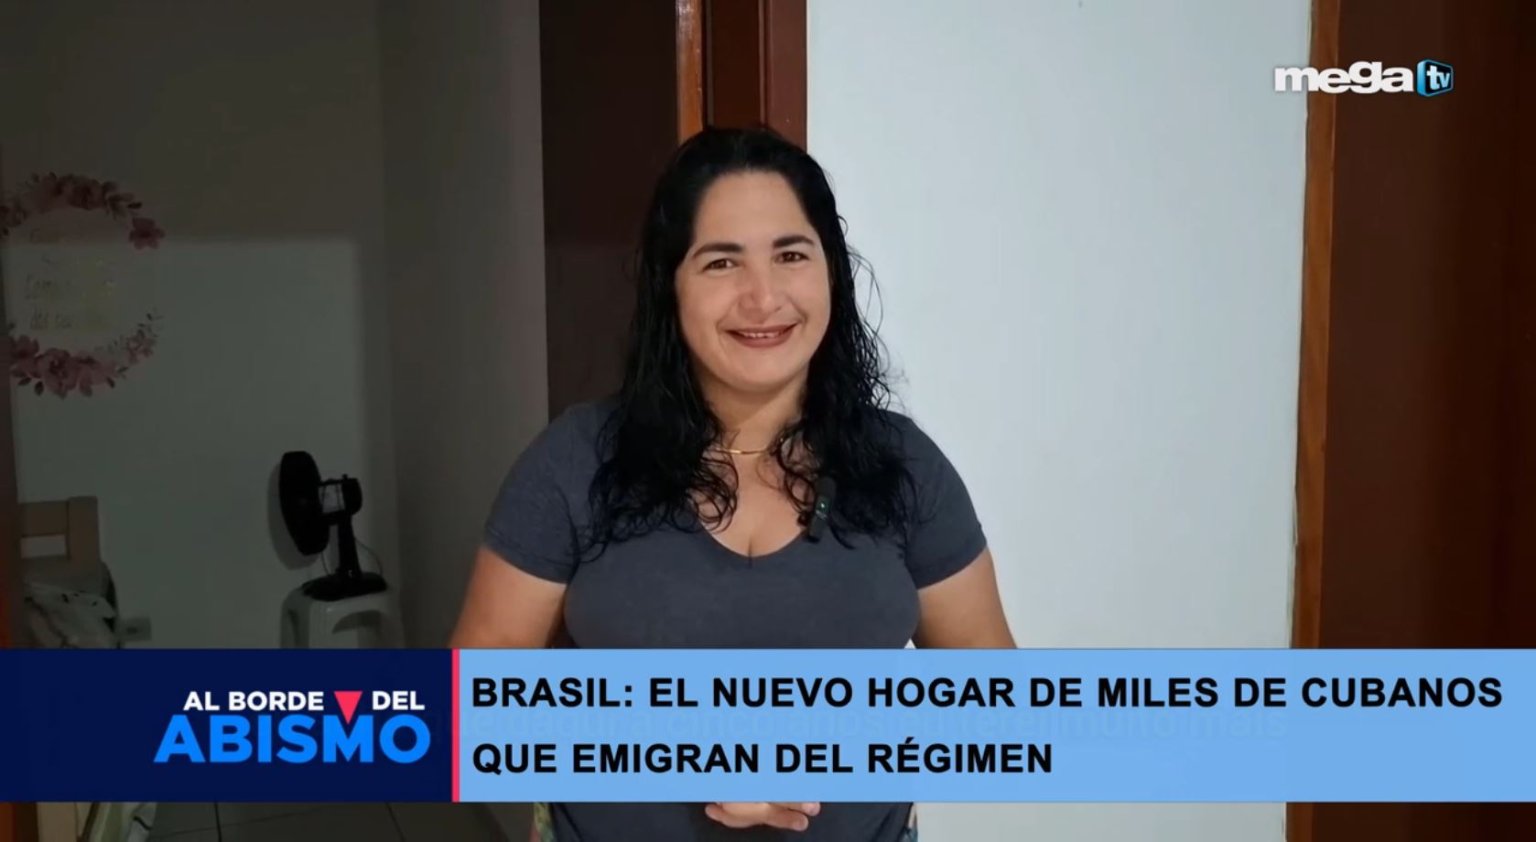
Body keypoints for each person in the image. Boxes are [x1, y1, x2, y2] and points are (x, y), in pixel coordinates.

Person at [450, 126, 1015, 841]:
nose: (763, 296)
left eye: (791, 255)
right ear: (671, 285)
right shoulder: (576, 459)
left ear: (831, 273)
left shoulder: (903, 464)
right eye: (721, 262)